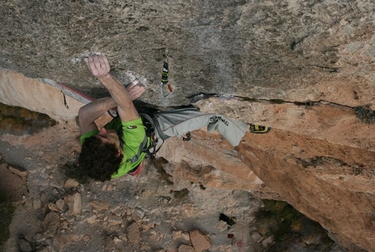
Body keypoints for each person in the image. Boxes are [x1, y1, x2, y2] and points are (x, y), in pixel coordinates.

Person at [78, 55, 270, 182]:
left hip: (128, 140)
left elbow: (84, 116)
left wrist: (115, 99)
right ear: (119, 154)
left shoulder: (98, 158)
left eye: (97, 134)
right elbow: (125, 105)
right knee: (212, 113)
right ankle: (242, 128)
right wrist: (105, 77)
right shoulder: (131, 144)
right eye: (104, 137)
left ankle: (137, 164)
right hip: (155, 128)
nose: (101, 130)